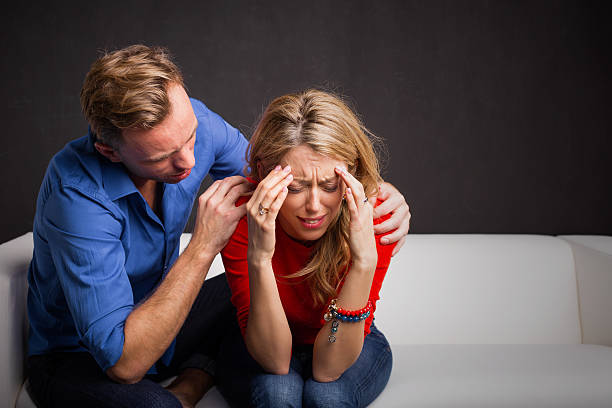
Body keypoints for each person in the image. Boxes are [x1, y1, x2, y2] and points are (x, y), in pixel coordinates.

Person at [26, 45, 411, 408]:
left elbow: (277, 169)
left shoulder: (191, 123)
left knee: (247, 290)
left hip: (170, 316)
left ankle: (200, 369)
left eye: (191, 136)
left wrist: (376, 188)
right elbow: (124, 365)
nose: (190, 161)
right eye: (164, 157)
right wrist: (204, 244)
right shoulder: (76, 197)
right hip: (84, 354)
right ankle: (200, 374)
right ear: (109, 150)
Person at [217, 89, 398, 407]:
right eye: (295, 187)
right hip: (263, 338)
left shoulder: (374, 213)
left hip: (346, 336)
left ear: (351, 173)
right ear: (262, 173)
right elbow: (275, 361)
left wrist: (364, 261)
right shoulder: (242, 215)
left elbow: (328, 369)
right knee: (278, 392)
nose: (314, 206)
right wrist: (259, 257)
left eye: (329, 185)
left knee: (326, 395)